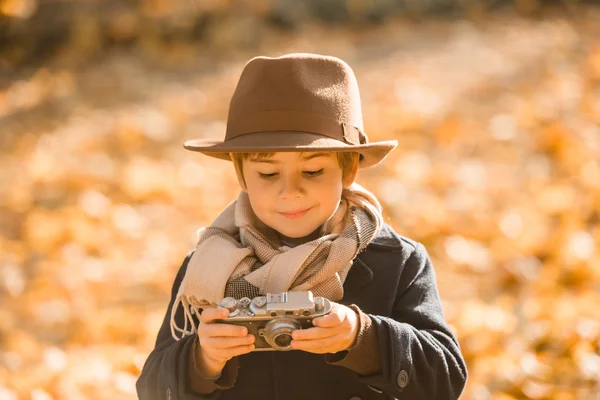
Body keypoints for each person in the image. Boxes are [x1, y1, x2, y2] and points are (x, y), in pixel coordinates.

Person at [136, 53, 467, 400]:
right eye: (267, 174)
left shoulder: (397, 260)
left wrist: (363, 336)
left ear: (349, 168)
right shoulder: (207, 267)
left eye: (312, 171)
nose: (290, 192)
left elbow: (445, 380)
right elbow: (152, 389)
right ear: (240, 174)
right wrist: (202, 359)